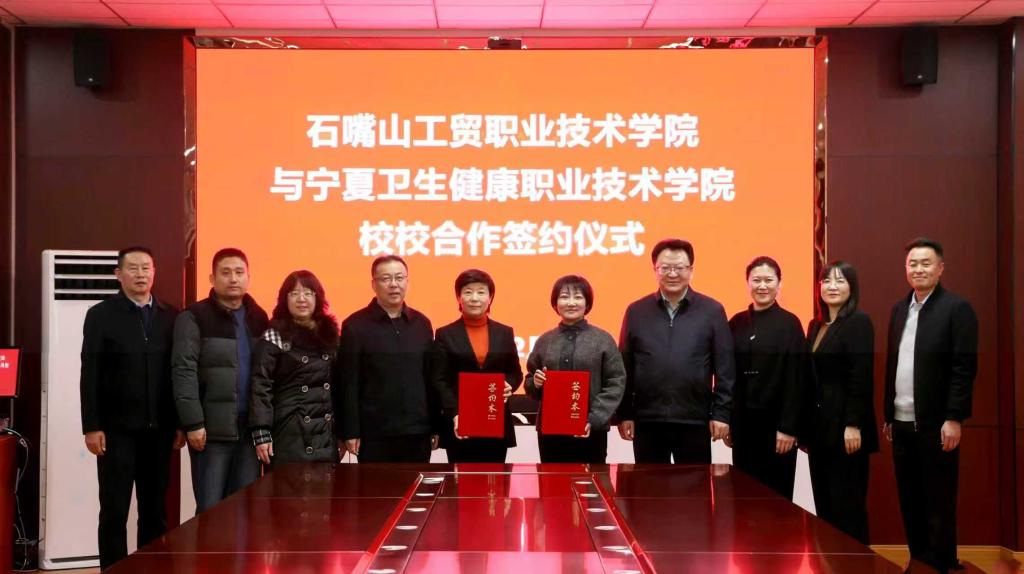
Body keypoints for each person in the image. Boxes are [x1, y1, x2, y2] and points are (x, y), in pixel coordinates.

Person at [79, 246, 184, 569]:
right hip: (116, 432)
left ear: (154, 272)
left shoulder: (171, 315)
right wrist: (91, 425)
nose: (141, 274)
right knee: (114, 511)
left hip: (160, 430)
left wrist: (179, 423)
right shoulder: (101, 315)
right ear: (118, 274)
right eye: (133, 268)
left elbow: (178, 373)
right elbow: (90, 373)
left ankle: (151, 569)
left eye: (146, 268)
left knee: (155, 511)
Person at [883, 238, 977, 573]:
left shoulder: (957, 309)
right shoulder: (899, 310)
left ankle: (943, 563)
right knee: (909, 498)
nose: (918, 269)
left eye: (926, 263)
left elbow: (964, 368)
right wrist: (889, 414)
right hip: (901, 421)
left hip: (937, 424)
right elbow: (893, 365)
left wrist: (954, 417)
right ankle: (920, 560)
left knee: (939, 498)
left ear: (940, 268)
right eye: (913, 263)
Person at [617, 238, 735, 464]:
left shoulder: (712, 311)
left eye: (679, 267)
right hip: (648, 421)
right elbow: (625, 366)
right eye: (665, 268)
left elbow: (725, 369)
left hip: (694, 420)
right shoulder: (636, 311)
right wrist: (625, 414)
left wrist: (721, 413)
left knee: (695, 485)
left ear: (691, 270)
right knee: (648, 485)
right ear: (655, 270)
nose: (672, 274)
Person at [172, 248, 269, 513]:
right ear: (212, 278)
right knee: (211, 510)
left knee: (245, 509)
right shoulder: (194, 317)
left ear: (248, 277)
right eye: (225, 273)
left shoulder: (259, 317)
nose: (233, 279)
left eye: (239, 272)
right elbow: (183, 371)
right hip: (210, 431)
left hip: (249, 430)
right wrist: (193, 422)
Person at [334, 255, 440, 462]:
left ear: (407, 281)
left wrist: (436, 425)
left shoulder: (422, 324)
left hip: (417, 431)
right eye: (385, 278)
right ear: (373, 284)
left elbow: (430, 379)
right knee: (376, 484)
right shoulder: (355, 326)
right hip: (374, 433)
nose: (393, 284)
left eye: (399, 278)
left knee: (416, 483)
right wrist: (350, 430)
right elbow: (348, 382)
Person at [805, 261, 878, 544]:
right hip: (820, 429)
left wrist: (853, 424)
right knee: (824, 505)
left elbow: (861, 376)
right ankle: (830, 561)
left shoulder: (858, 322)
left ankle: (855, 562)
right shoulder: (816, 325)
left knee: (847, 505)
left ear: (852, 287)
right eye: (826, 281)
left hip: (846, 430)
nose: (832, 286)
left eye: (840, 281)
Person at [727, 256, 805, 499]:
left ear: (779, 284)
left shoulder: (790, 324)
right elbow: (727, 374)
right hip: (743, 426)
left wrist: (788, 427)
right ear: (747, 283)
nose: (762, 286)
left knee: (777, 499)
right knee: (744, 495)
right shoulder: (736, 323)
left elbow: (796, 378)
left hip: (777, 428)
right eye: (756, 280)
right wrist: (729, 420)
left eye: (768, 280)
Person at [525, 275, 625, 463]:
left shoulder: (603, 340)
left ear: (587, 303)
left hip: (591, 430)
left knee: (591, 480)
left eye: (578, 297)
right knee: (551, 480)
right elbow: (530, 381)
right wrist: (535, 383)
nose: (571, 303)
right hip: (550, 432)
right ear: (555, 303)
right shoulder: (544, 340)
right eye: (564, 297)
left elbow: (615, 382)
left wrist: (594, 419)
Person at [250, 270, 341, 467]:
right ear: (285, 299)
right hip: (288, 431)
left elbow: (340, 387)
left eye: (308, 293)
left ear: (318, 298)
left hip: (325, 433)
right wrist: (261, 431)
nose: (301, 299)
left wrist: (344, 432)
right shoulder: (274, 336)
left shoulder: (331, 336)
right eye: (294, 293)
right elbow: (260, 384)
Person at [432, 269, 522, 463]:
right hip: (459, 423)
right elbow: (439, 379)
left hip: (495, 419)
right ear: (459, 297)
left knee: (494, 479)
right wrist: (455, 413)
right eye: (468, 292)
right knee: (460, 480)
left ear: (490, 298)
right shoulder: (445, 334)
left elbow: (515, 373)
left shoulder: (504, 333)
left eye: (481, 292)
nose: (474, 298)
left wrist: (509, 385)